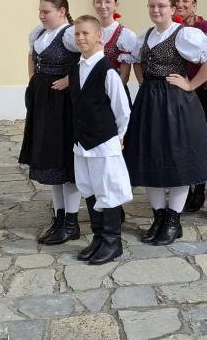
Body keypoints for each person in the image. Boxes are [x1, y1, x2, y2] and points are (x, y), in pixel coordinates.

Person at [123, 0, 207, 245]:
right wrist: (144, 82)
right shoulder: (145, 35)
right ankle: (158, 217)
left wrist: (191, 84)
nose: (156, 10)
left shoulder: (184, 34)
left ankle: (173, 221)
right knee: (151, 158)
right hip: (149, 102)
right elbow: (136, 60)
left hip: (176, 103)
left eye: (161, 6)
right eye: (152, 6)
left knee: (178, 159)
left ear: (172, 9)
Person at [68, 15, 133, 265]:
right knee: (90, 188)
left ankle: (112, 242)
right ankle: (98, 238)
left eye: (86, 33)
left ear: (98, 36)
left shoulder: (108, 71)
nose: (81, 38)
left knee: (108, 189)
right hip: (82, 142)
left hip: (104, 141)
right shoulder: (76, 69)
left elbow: (122, 110)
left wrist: (119, 137)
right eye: (77, 34)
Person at [21, 0, 83, 245]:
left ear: (62, 11)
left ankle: (71, 222)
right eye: (40, 11)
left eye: (46, 11)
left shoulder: (70, 34)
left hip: (64, 105)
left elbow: (92, 57)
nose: (42, 16)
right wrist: (34, 80)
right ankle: (59, 218)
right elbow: (32, 57)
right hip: (44, 103)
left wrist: (70, 79)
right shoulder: (38, 34)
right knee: (52, 163)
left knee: (65, 163)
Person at [172, 0, 207, 213]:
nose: (180, 4)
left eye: (185, 1)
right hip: (177, 92)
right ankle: (183, 184)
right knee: (180, 139)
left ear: (194, 4)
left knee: (201, 138)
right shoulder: (170, 28)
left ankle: (199, 188)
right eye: (176, 1)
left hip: (200, 91)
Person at [92, 0, 138, 91]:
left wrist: (110, 93)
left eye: (107, 1)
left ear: (115, 5)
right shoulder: (89, 31)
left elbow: (124, 76)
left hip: (115, 90)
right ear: (93, 4)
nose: (103, 5)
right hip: (91, 89)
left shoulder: (125, 34)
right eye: (98, 2)